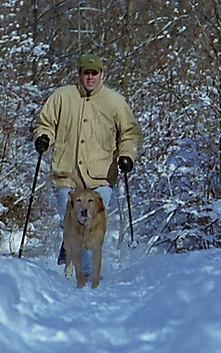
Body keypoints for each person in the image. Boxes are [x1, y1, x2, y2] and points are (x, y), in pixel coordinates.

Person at [33, 54, 143, 271]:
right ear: (79, 74)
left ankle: (84, 275)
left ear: (102, 74)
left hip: (101, 175)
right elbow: (45, 123)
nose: (90, 77)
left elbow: (130, 133)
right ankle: (70, 249)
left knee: (90, 223)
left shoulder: (115, 102)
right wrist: (43, 137)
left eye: (94, 73)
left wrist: (127, 156)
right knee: (73, 220)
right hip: (68, 174)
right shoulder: (62, 97)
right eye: (86, 73)